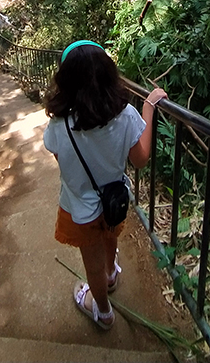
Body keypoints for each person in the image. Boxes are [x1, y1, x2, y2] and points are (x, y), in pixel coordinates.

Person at [43, 40, 168, 329]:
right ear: (109, 74)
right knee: (111, 237)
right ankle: (112, 273)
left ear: (66, 81)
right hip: (114, 202)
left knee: (92, 265)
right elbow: (140, 159)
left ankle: (103, 312)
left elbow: (61, 161)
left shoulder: (59, 125)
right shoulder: (125, 116)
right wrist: (148, 107)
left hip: (81, 209)